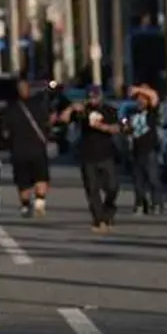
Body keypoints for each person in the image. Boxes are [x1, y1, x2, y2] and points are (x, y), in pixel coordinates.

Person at [59, 86, 122, 233]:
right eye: (90, 97)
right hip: (88, 155)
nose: (92, 100)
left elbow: (116, 128)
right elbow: (63, 119)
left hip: (107, 154)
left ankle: (109, 209)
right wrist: (71, 109)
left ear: (100, 97)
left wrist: (101, 126)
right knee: (92, 189)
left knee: (112, 187)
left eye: (95, 97)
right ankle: (98, 219)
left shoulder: (109, 110)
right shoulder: (83, 111)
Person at [2, 80, 53, 217]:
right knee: (41, 177)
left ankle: (25, 206)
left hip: (18, 151)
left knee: (22, 181)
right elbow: (47, 124)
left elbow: (5, 132)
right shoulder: (38, 106)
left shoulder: (10, 109)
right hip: (38, 149)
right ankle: (39, 202)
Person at [126, 83, 163, 215]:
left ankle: (156, 203)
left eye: (143, 98)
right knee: (138, 181)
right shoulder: (132, 112)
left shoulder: (152, 111)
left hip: (150, 149)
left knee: (153, 179)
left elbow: (154, 96)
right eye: (138, 98)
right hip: (136, 150)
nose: (140, 100)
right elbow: (126, 128)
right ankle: (140, 204)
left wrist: (139, 89)